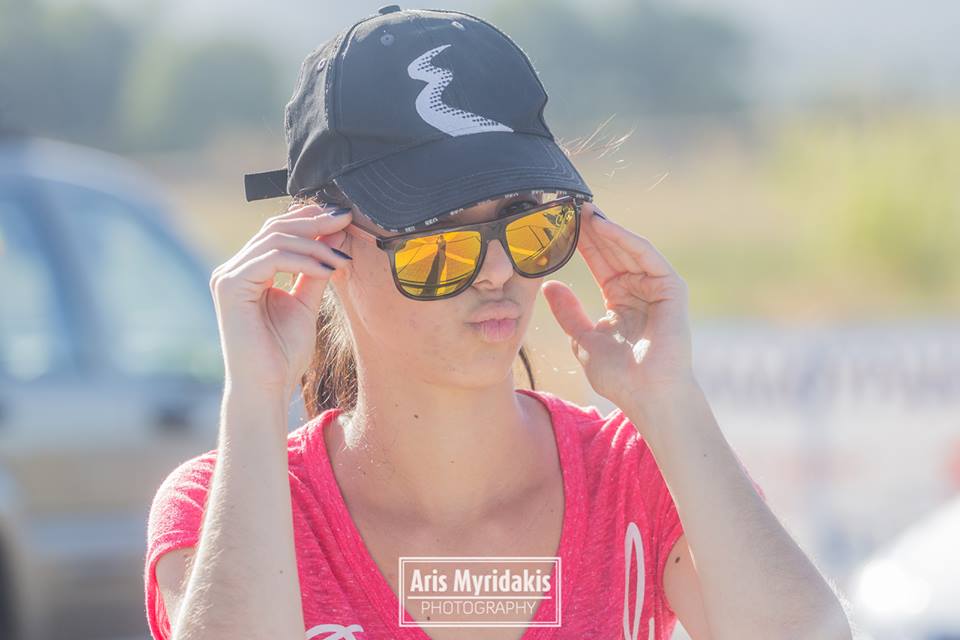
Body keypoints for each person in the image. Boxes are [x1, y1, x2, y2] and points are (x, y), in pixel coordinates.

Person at [143, 6, 852, 640]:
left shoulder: (636, 477)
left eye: (527, 224)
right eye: (439, 237)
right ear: (324, 241)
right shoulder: (223, 505)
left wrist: (670, 400)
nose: (497, 271)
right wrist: (256, 399)